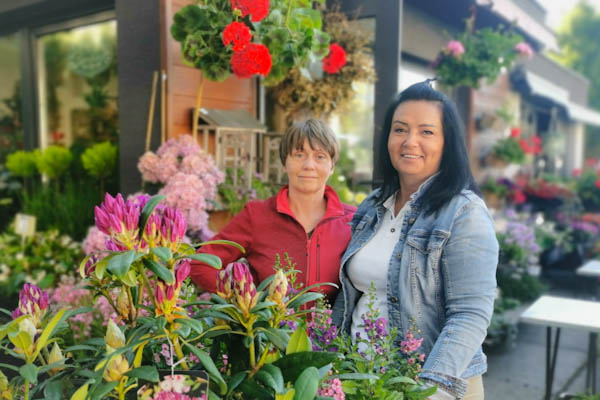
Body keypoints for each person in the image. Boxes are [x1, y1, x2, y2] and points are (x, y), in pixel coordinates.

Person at [332, 81, 498, 400]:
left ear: (448, 143)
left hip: (431, 387)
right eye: (400, 129)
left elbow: (470, 315)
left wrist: (426, 390)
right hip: (364, 382)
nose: (410, 141)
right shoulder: (372, 207)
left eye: (426, 131)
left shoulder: (465, 213)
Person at [190, 118, 356, 302]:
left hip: (331, 331)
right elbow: (201, 263)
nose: (309, 165)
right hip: (270, 329)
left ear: (331, 166)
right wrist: (245, 301)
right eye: (299, 155)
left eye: (320, 156)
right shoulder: (256, 216)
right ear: (285, 162)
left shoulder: (354, 221)